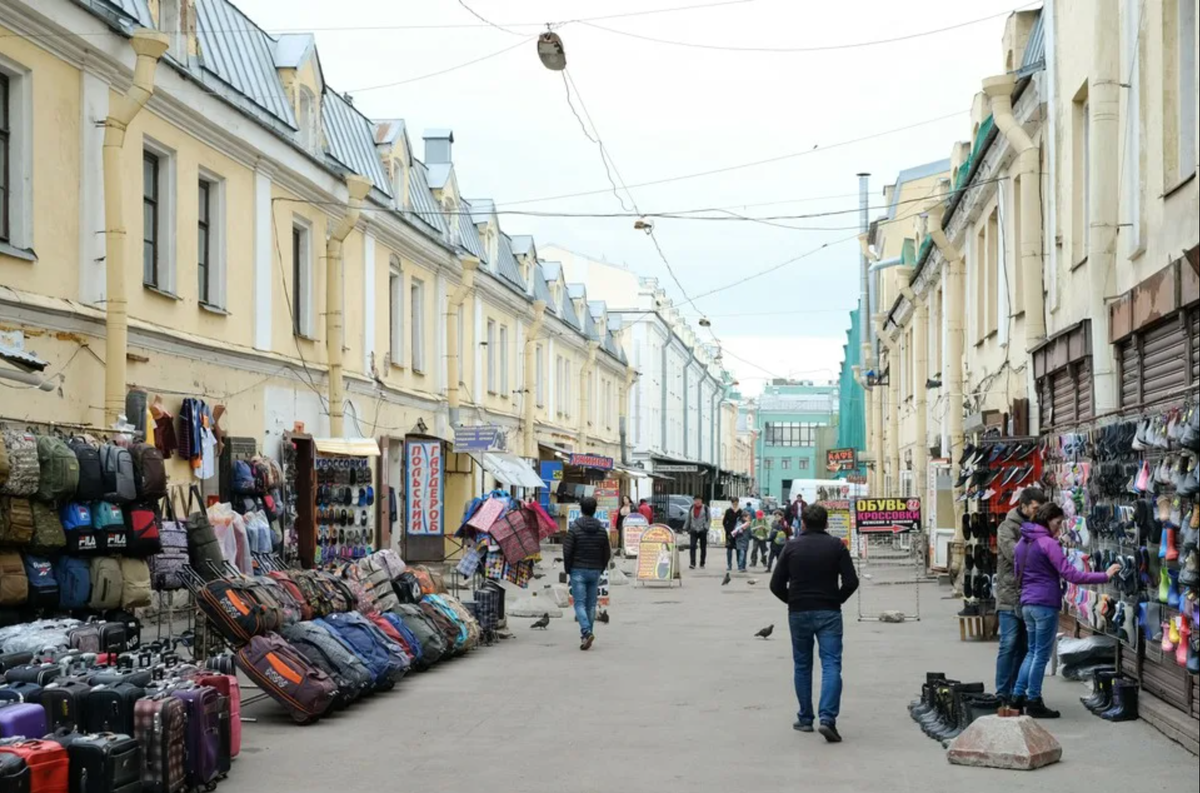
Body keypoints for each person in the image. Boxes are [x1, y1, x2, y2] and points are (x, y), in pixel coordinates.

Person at [1012, 503, 1119, 717]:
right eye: (1057, 523)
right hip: (1044, 604)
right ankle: (1034, 700)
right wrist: (1104, 576)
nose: (1059, 528)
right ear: (1047, 519)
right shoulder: (1048, 544)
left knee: (1032, 652)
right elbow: (1072, 575)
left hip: (1027, 603)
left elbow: (1017, 573)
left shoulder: (1022, 543)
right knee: (1040, 655)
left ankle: (1016, 698)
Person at [769, 504, 859, 743]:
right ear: (827, 523)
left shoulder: (791, 547)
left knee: (802, 665)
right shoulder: (837, 546)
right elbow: (851, 581)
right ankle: (827, 719)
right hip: (829, 612)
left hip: (799, 613)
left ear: (804, 524)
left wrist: (793, 601)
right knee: (831, 664)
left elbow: (775, 585)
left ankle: (806, 719)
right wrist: (835, 600)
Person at [994, 487, 1045, 708]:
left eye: (1040, 508)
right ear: (1023, 506)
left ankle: (1017, 691)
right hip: (1009, 594)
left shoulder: (1040, 527)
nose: (1037, 511)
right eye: (1035, 507)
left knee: (1025, 646)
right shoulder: (1007, 527)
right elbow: (1015, 554)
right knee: (1009, 643)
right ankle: (1001, 692)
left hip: (1030, 595)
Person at [563, 496, 612, 651]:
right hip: (595, 570)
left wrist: (568, 568)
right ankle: (586, 636)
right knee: (591, 604)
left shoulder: (574, 529)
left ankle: (586, 630)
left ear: (581, 509)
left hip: (577, 569)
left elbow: (567, 551)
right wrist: (601, 567)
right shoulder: (601, 530)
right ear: (595, 510)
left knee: (579, 603)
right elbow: (607, 552)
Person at [682, 495, 710, 570]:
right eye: (695, 500)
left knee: (703, 547)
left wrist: (706, 528)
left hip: (702, 530)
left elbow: (709, 519)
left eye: (698, 500)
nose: (697, 501)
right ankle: (692, 563)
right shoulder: (691, 508)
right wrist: (685, 528)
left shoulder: (706, 508)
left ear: (701, 501)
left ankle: (702, 563)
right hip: (693, 530)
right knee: (692, 546)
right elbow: (688, 518)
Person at [724, 504, 739, 571]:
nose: (735, 505)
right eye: (734, 503)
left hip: (738, 533)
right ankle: (729, 565)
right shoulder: (728, 511)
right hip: (729, 533)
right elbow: (724, 522)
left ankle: (739, 564)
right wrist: (727, 529)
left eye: (736, 503)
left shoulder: (740, 511)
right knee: (729, 549)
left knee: (738, 549)